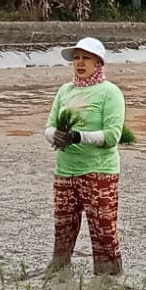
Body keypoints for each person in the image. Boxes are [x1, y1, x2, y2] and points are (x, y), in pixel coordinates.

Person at [45, 36, 126, 275]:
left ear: (98, 62)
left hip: (99, 172)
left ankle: (109, 278)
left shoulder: (109, 93)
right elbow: (48, 127)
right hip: (65, 171)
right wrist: (55, 136)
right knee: (63, 227)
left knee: (103, 230)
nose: (80, 63)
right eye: (76, 58)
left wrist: (78, 137)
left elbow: (112, 136)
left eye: (86, 58)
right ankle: (59, 271)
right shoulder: (65, 91)